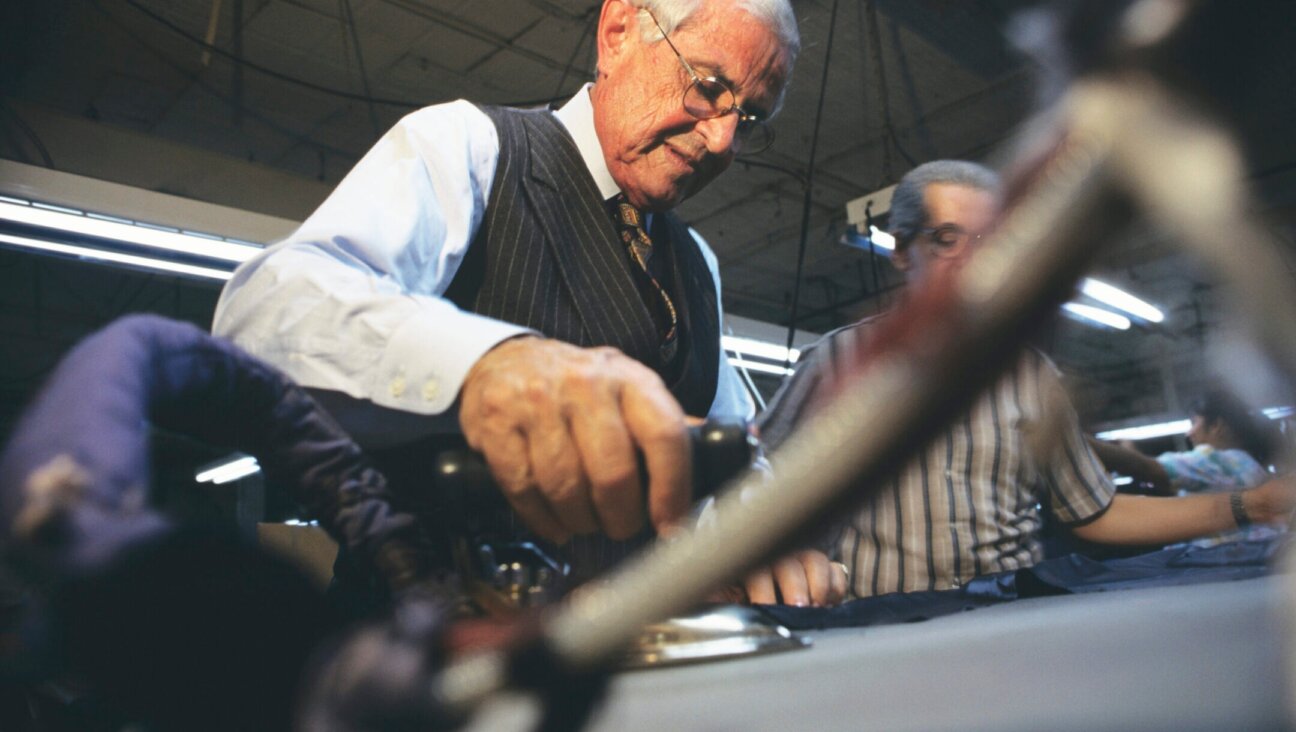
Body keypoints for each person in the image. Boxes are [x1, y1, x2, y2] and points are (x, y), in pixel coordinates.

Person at [213, 0, 842, 606]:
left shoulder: (695, 262)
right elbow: (264, 312)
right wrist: (488, 365)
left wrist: (761, 540)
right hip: (430, 673)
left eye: (751, 117)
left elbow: (721, 459)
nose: (724, 140)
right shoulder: (471, 147)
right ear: (620, 30)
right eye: (707, 85)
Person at [757, 159, 1295, 599]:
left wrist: (1252, 506)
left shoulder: (1034, 376)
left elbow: (1097, 512)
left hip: (1010, 617)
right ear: (900, 251)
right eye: (947, 238)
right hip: (881, 631)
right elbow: (746, 493)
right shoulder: (835, 362)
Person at [1087, 389, 1273, 496]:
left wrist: (1075, 440)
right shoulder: (1254, 469)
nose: (1189, 433)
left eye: (1194, 423)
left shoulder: (1217, 461)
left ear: (1216, 425)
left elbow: (1146, 468)